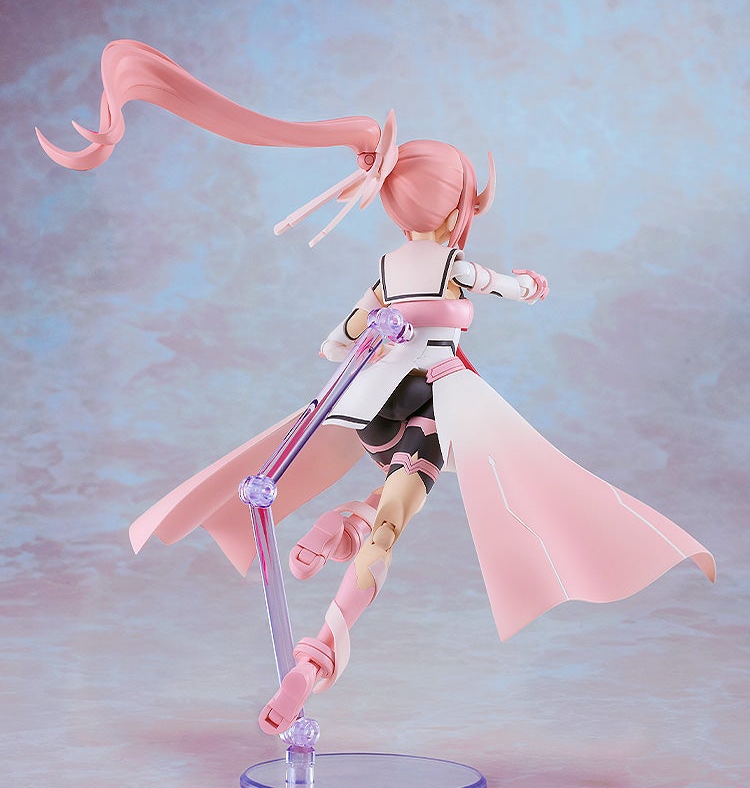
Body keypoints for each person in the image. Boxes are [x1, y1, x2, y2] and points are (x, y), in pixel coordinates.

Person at [38, 39, 715, 736]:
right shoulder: (454, 263)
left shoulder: (387, 269)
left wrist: (383, 339)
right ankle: (321, 651)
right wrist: (528, 287)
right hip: (434, 402)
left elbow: (337, 339)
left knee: (393, 486)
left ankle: (347, 520)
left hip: (371, 408)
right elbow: (502, 286)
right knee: (402, 515)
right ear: (457, 210)